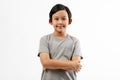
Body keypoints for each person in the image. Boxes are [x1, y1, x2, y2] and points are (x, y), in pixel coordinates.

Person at [38, 3, 83, 80]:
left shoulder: (75, 42)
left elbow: (76, 65)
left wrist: (52, 63)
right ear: (50, 21)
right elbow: (45, 62)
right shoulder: (45, 40)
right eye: (56, 19)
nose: (60, 22)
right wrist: (70, 64)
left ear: (70, 21)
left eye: (63, 18)